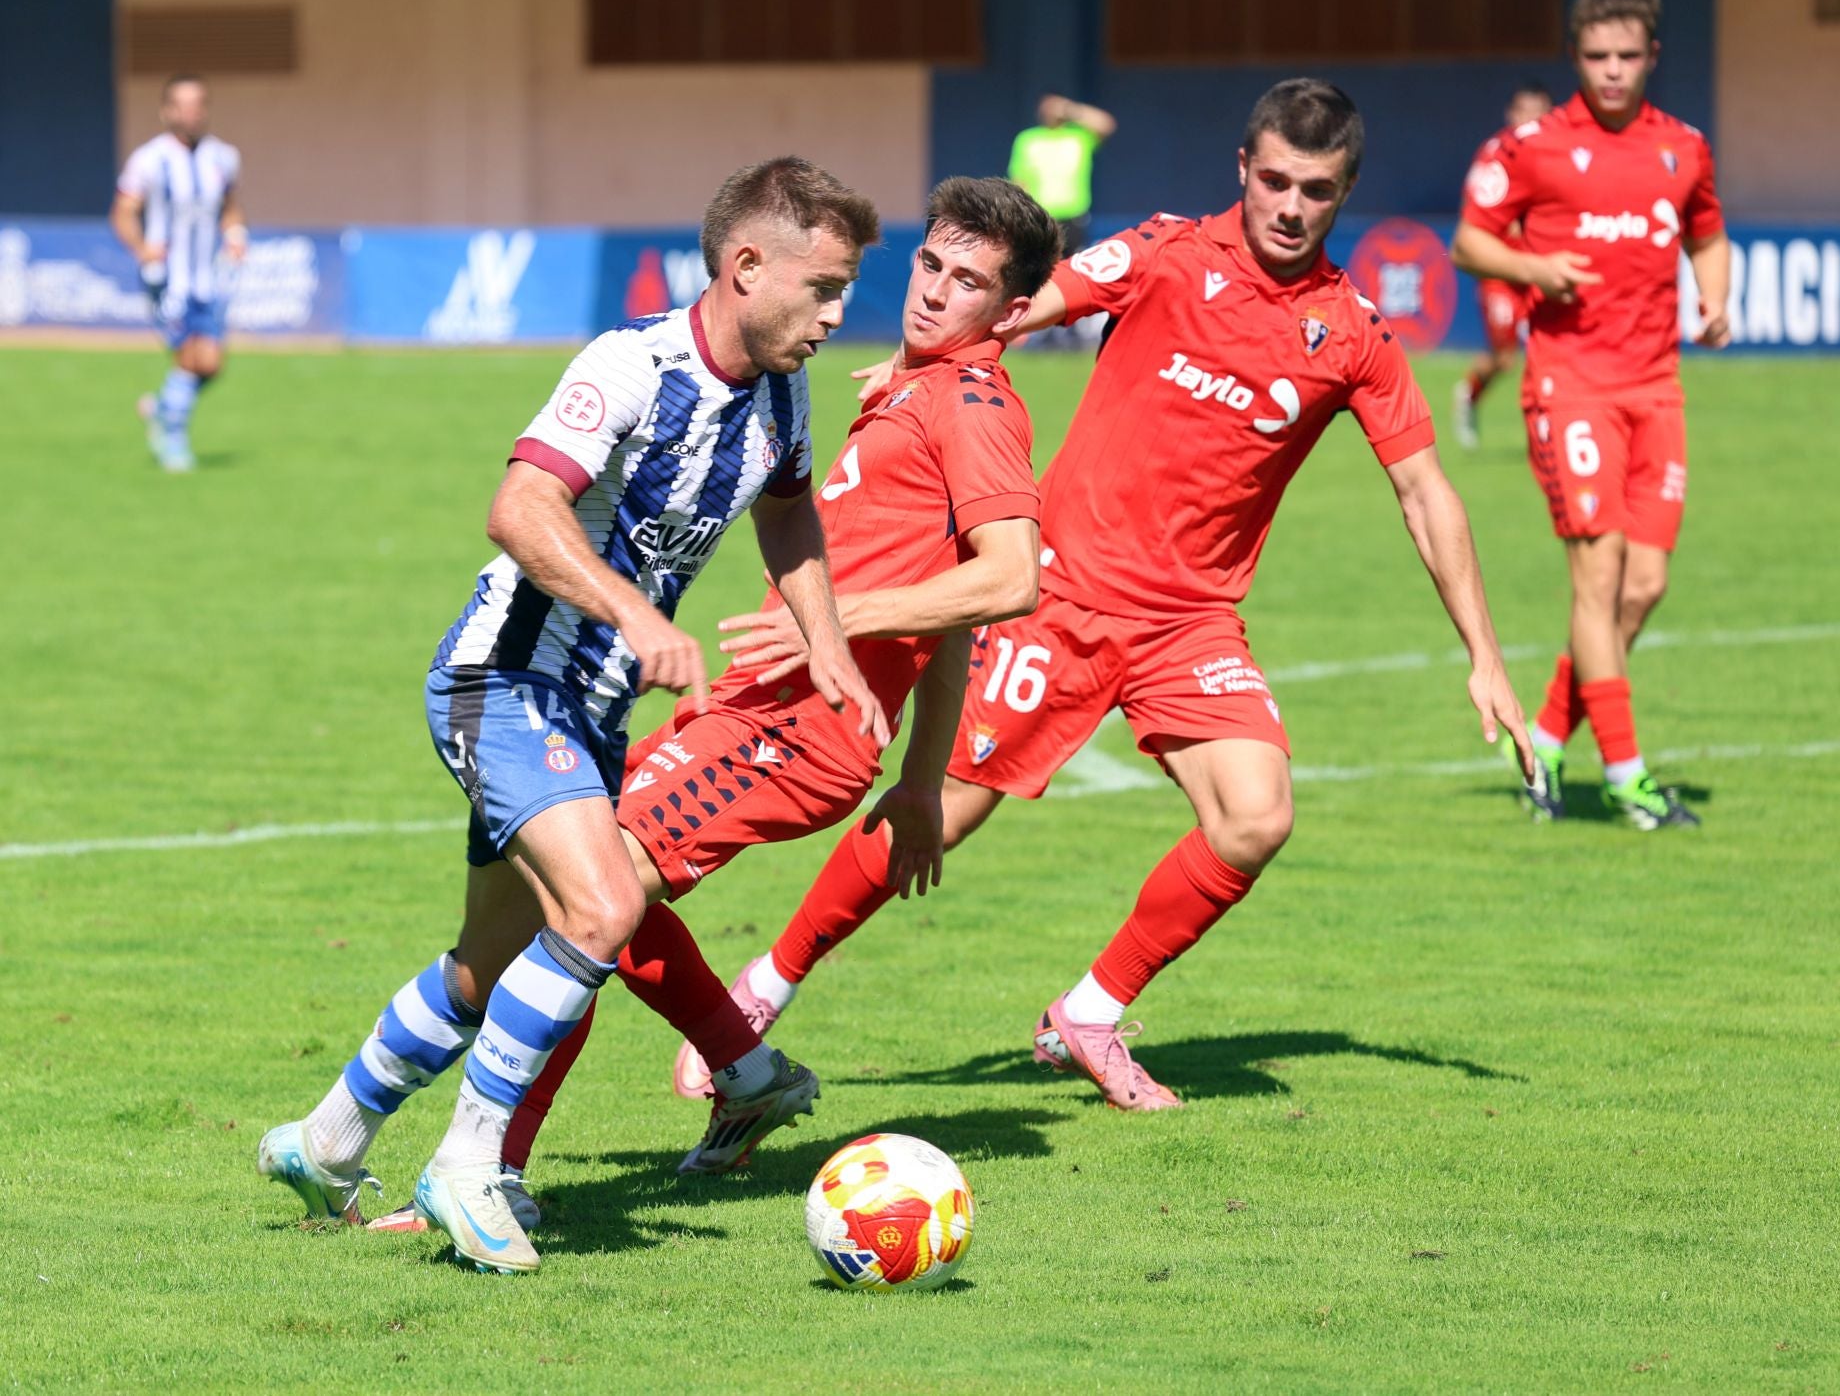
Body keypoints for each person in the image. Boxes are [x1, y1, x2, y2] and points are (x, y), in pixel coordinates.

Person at [662, 79, 1535, 1113]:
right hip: (1057, 592)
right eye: (1276, 180)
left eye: (1319, 189)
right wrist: (912, 359)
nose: (1292, 205)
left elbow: (1424, 490)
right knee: (938, 805)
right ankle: (770, 982)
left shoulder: (1350, 333)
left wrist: (1483, 653)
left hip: (1190, 624)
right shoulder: (1167, 252)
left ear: (1345, 193)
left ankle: (1090, 1011)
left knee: (1255, 818)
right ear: (1242, 170)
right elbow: (1023, 304)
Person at [370, 175, 1060, 1228]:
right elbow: (942, 607)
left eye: (969, 284)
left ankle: (481, 1173)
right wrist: (920, 782)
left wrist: (832, 626)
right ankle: (744, 1072)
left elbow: (1011, 578)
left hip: (799, 733)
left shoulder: (968, 405)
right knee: (603, 908)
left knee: (587, 907)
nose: (933, 294)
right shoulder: (901, 389)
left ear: (1011, 314)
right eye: (930, 265)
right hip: (748, 712)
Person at [258, 157, 888, 1275]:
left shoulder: (784, 393)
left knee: (483, 966)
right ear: (747, 267)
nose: (840, 314)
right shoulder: (630, 366)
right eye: (824, 286)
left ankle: (325, 1142)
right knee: (604, 905)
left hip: (586, 715)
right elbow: (520, 505)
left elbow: (789, 515)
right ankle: (468, 1165)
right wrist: (636, 616)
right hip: (499, 680)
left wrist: (829, 648)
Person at [1451, 0, 1730, 829]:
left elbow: (1708, 233)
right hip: (1569, 386)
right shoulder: (1530, 146)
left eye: (1628, 57)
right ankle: (1628, 782)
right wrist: (1537, 271)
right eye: (1598, 57)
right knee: (1598, 574)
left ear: (1652, 58)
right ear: (1577, 59)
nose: (1613, 72)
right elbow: (1468, 240)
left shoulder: (1685, 148)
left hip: (1657, 388)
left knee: (1643, 587)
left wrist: (1715, 300)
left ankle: (1544, 735)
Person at [111, 74, 245, 473]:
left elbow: (230, 206)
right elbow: (122, 213)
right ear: (166, 110)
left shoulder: (224, 157)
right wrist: (141, 247)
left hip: (209, 276)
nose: (190, 113)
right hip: (167, 278)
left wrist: (235, 234)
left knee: (212, 363)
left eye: (197, 104)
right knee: (189, 357)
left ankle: (162, 408)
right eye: (181, 105)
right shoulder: (149, 160)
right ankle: (173, 440)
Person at [1450, 81, 1554, 451]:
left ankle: (1545, 431)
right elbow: (1475, 220)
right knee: (1505, 357)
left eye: (1538, 111)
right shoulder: (1496, 157)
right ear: (1511, 114)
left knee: (1549, 351)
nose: (1531, 119)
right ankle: (1469, 393)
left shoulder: (1556, 156)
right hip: (1501, 271)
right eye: (1524, 110)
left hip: (1539, 269)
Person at [1008, 93, 1117, 257]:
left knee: (1072, 266)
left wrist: (1069, 109)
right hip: (1040, 216)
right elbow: (1019, 181)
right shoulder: (1028, 138)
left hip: (1073, 218)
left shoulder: (1079, 137)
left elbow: (1106, 125)